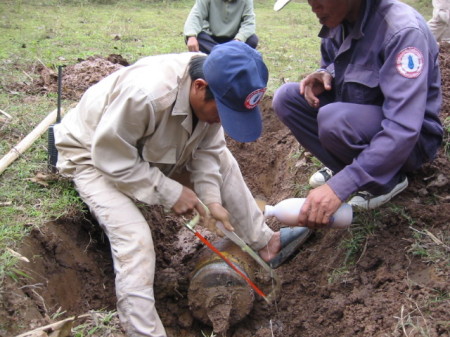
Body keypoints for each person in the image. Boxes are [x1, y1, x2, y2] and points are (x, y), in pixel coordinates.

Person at [54, 41, 310, 337]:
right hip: (95, 155)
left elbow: (208, 149)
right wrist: (170, 192)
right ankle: (142, 331)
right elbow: (111, 157)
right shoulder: (147, 95)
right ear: (199, 87)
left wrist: (212, 201)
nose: (222, 121)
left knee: (223, 161)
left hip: (150, 147)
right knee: (134, 239)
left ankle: (264, 243)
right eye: (223, 114)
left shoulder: (219, 78)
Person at [272, 0, 443, 228]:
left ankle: (388, 180)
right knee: (287, 98)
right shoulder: (338, 21)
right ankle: (351, 166)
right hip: (360, 120)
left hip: (411, 142)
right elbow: (338, 64)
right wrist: (325, 73)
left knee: (334, 120)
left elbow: (403, 126)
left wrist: (342, 185)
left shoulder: (402, 31)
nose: (313, 6)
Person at [183, 0, 258, 54]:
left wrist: (238, 39)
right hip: (210, 38)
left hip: (234, 40)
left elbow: (249, 23)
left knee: (252, 39)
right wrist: (191, 36)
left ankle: (217, 55)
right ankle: (229, 56)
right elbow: (195, 15)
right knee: (195, 38)